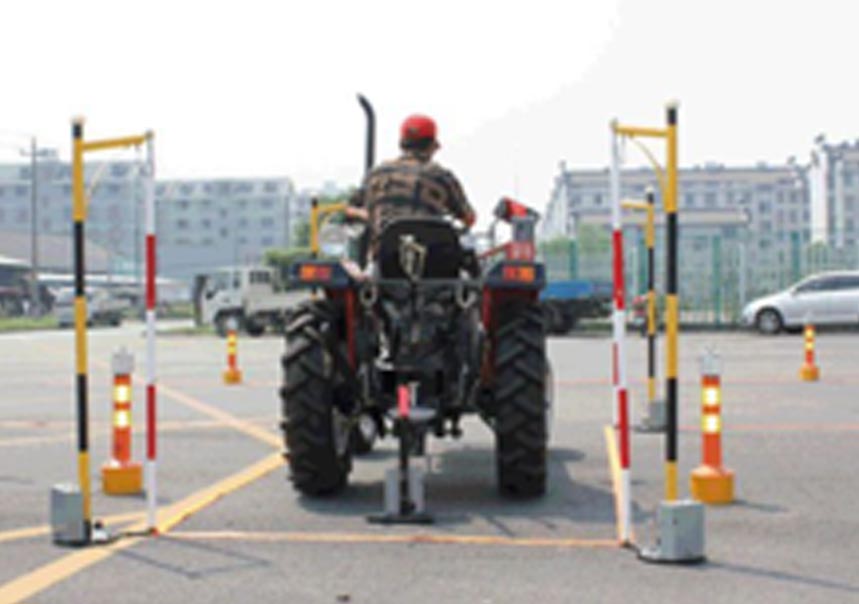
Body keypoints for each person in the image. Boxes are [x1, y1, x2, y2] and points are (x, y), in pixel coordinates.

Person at [346, 114, 476, 257]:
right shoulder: (441, 176)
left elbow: (349, 209)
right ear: (433, 146)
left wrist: (371, 215)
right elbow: (469, 218)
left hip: (384, 258)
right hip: (433, 260)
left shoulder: (376, 174)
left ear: (401, 143)